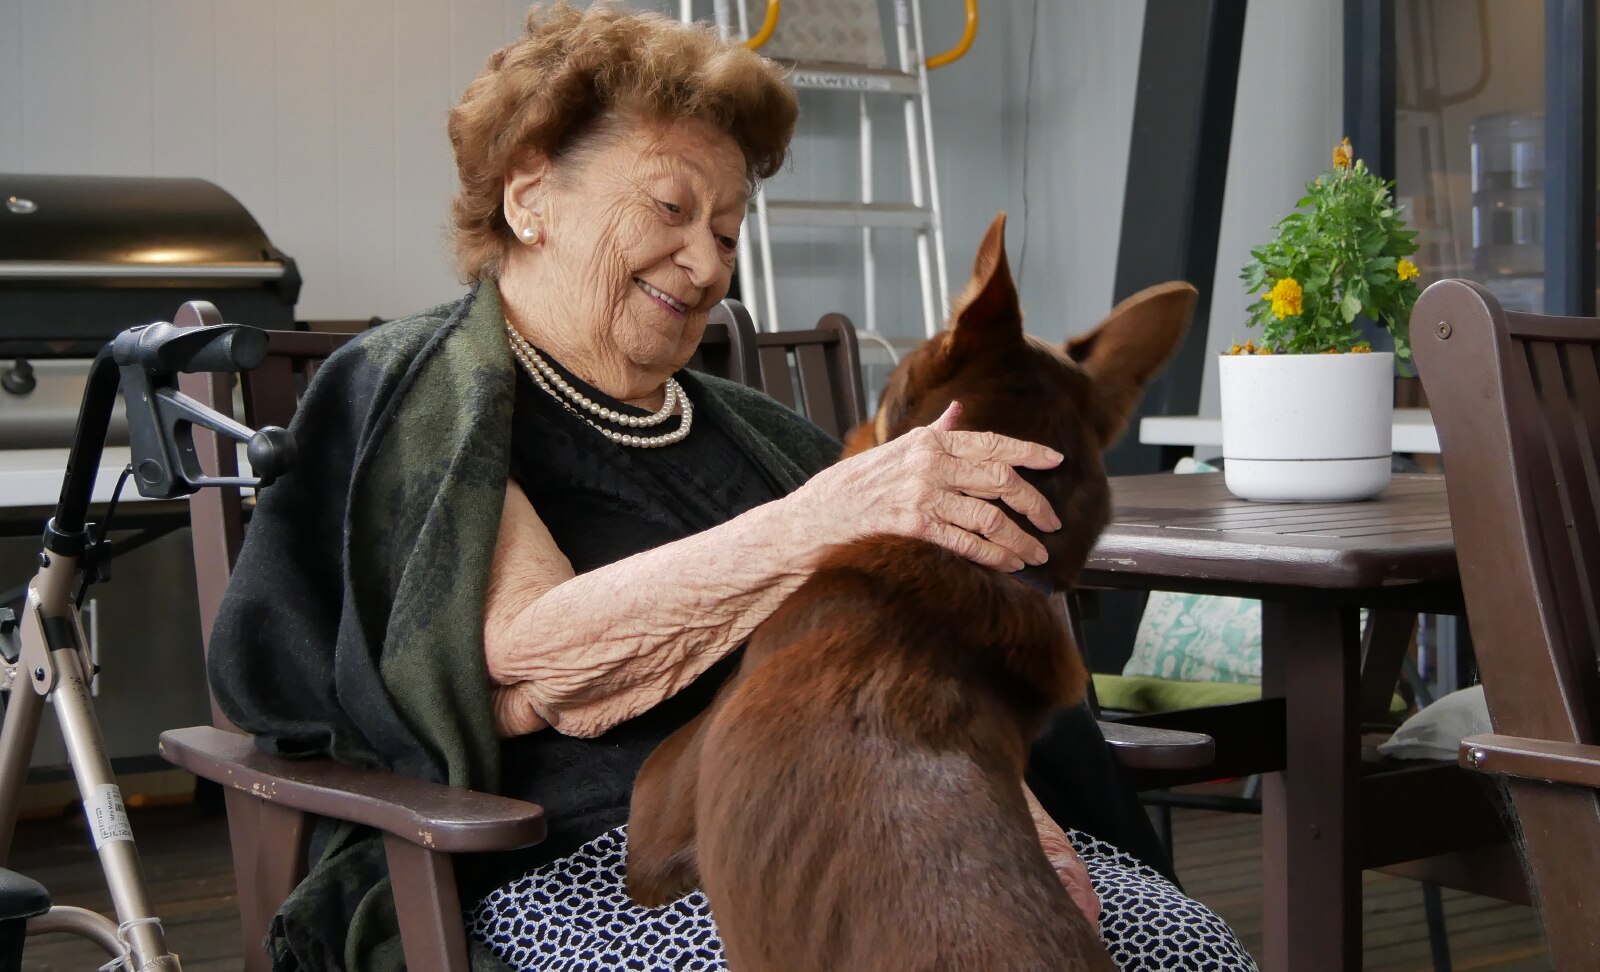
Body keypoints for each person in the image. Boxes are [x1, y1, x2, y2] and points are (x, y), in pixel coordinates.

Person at [209, 4, 1258, 971]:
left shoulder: (763, 438)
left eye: (726, 228)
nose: (706, 264)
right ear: (530, 199)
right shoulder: (434, 393)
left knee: (1186, 951)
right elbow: (537, 666)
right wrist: (825, 518)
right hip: (598, 857)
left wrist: (1029, 829)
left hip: (916, 822)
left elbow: (927, 669)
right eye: (669, 206)